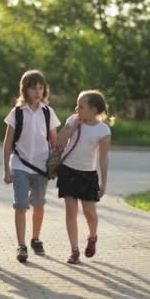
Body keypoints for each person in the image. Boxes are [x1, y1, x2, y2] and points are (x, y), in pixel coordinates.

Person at [3, 70, 60, 263]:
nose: (37, 91)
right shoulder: (17, 112)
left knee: (39, 204)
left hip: (41, 166)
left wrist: (56, 165)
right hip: (20, 164)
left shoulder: (48, 112)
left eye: (40, 87)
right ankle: (22, 245)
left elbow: (55, 142)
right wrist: (6, 168)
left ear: (44, 90)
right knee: (20, 204)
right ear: (24, 90)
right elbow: (7, 141)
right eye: (32, 87)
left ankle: (35, 239)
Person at [56, 90, 111, 264]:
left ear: (94, 109)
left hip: (88, 175)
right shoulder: (73, 120)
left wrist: (103, 183)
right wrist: (73, 127)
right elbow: (59, 142)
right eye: (77, 105)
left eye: (81, 106)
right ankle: (74, 250)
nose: (76, 108)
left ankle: (92, 236)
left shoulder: (103, 130)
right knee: (71, 211)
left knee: (89, 212)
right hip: (68, 171)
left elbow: (103, 158)